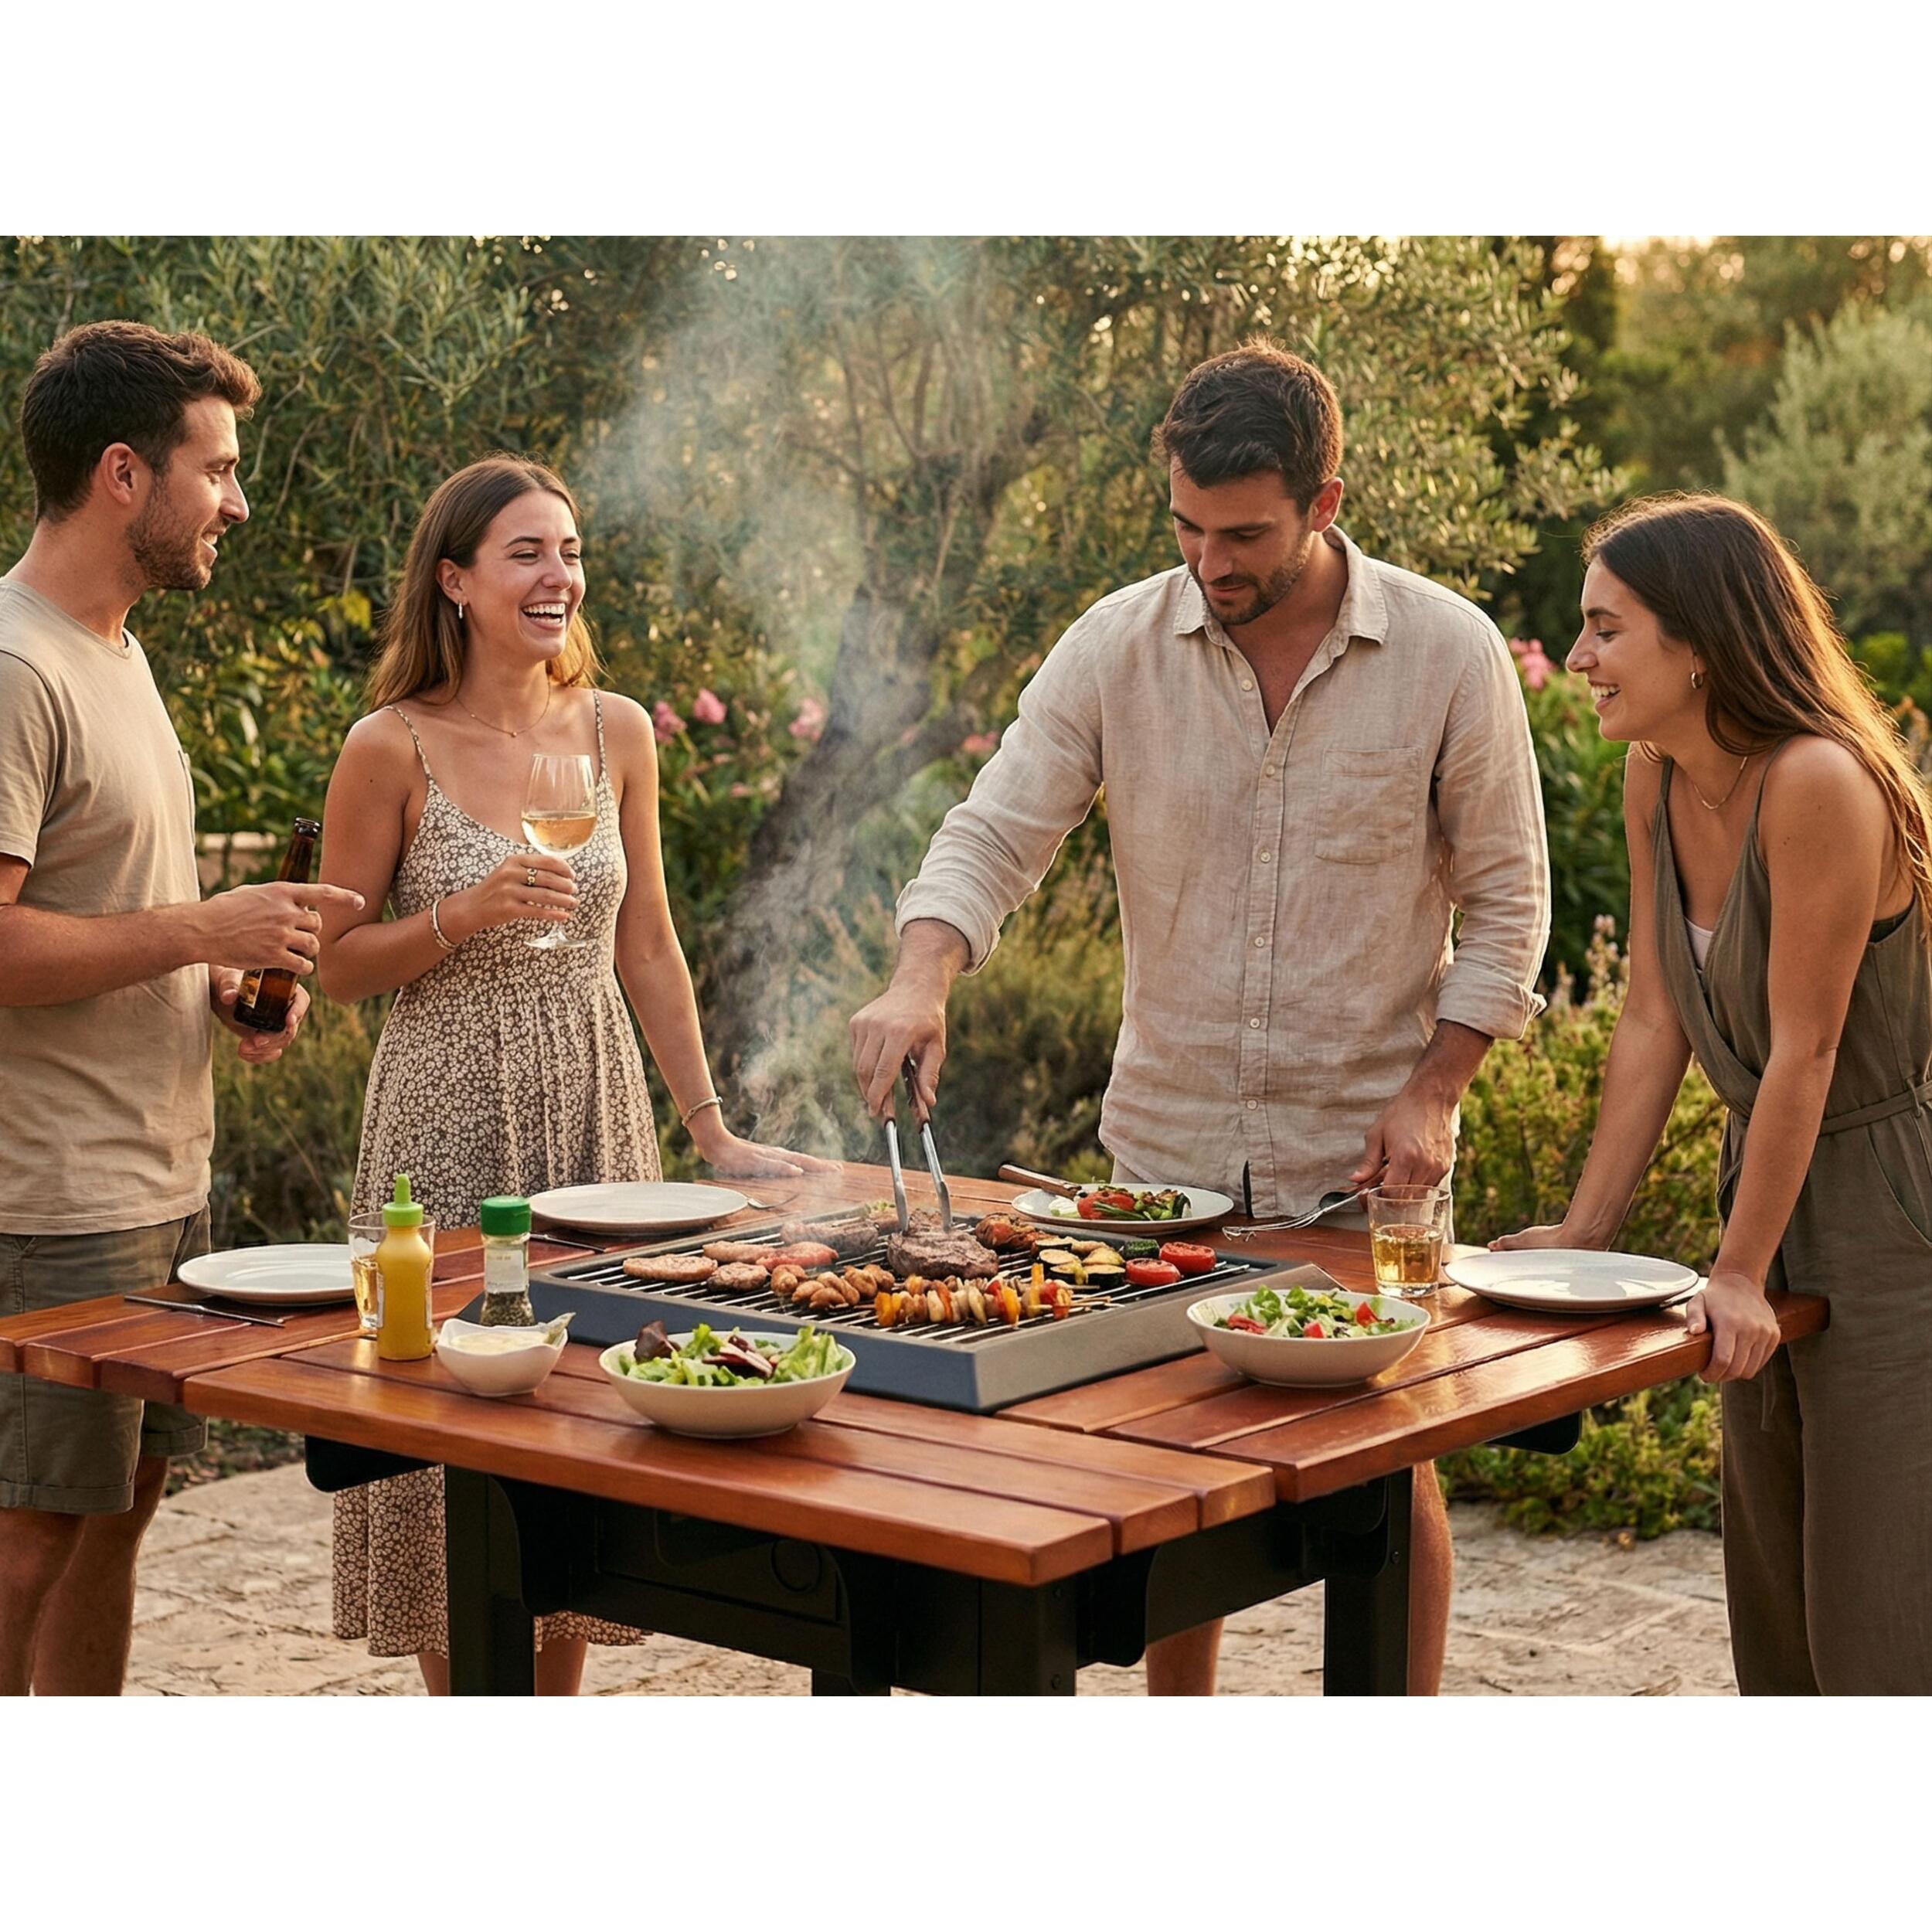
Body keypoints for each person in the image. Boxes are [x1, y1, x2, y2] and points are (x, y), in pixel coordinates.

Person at [849, 341, 1550, 1695]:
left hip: (1364, 1172)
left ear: (1325, 502)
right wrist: (921, 974)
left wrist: (1437, 1088)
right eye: (1186, 527)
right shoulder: (1117, 643)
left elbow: (1512, 907)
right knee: (1172, 1471)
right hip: (1157, 1173)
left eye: (1244, 535)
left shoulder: (1451, 652)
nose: (1210, 563)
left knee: (1393, 1483)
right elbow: (994, 831)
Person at [316, 454, 838, 1696]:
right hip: (442, 1113)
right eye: (528, 554)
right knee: (451, 1440)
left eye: (571, 552)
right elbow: (334, 963)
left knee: (585, 1427)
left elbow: (646, 938)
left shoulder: (616, 731)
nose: (561, 578)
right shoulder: (388, 745)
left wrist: (708, 1131)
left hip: (592, 1101)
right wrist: (462, 916)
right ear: (455, 581)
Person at [1494, 494, 1932, 1696]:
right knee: (1776, 1597)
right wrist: (1588, 1236)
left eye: (1604, 628)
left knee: (1880, 1596)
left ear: (1698, 640)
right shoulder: (1656, 779)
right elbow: (1649, 1018)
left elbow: (1807, 1050)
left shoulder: (1819, 783)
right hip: (1772, 1179)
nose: (1577, 658)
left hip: (1896, 1210)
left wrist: (1735, 1272)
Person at [0, 321, 364, 1696]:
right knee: (28, 1535)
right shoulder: (18, 667)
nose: (239, 499)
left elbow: (96, 911)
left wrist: (212, 979)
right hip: (50, 1198)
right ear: (120, 475)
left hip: (156, 1175)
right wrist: (205, 924)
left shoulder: (115, 651)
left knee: (116, 1520)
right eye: (216, 469)